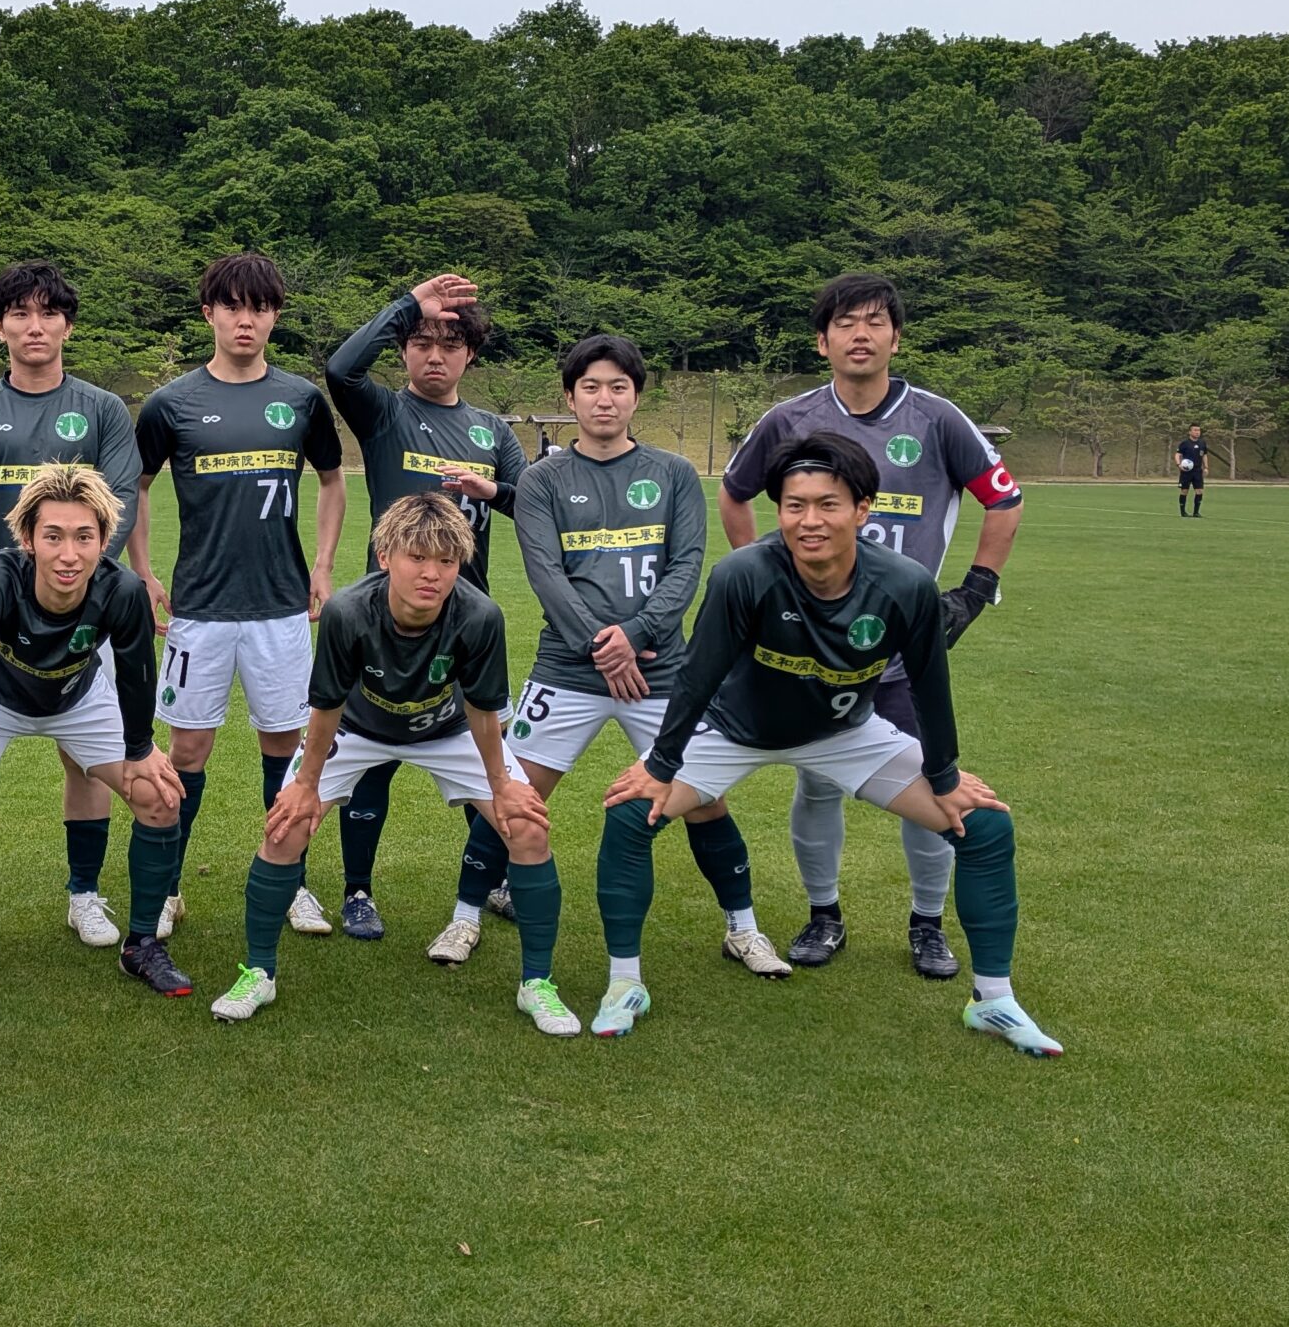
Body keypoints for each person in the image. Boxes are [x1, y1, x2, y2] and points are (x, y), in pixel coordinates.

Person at [600, 431, 1061, 1056]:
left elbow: (929, 686)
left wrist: (946, 777)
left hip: (844, 732)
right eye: (794, 505)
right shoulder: (743, 574)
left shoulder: (905, 584)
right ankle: (624, 984)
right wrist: (660, 765)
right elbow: (697, 678)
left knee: (982, 825)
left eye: (828, 504)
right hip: (734, 730)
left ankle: (994, 1001)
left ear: (862, 509)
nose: (809, 521)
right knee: (631, 812)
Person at [426, 337, 790, 976]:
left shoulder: (674, 473)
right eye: (590, 387)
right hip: (569, 669)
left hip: (662, 670)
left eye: (618, 387)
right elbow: (547, 575)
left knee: (703, 798)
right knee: (513, 793)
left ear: (636, 397)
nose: (604, 399)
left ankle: (744, 929)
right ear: (570, 398)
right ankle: (465, 917)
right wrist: (606, 646)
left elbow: (686, 567)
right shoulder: (541, 480)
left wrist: (637, 633)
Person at [717, 272, 1022, 977]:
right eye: (846, 323)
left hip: (902, 651)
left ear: (896, 338)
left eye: (875, 322)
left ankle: (927, 924)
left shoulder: (938, 420)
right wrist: (762, 581)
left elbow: (1004, 501)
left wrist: (975, 590)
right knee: (819, 783)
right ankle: (823, 914)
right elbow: (734, 495)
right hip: (814, 652)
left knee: (933, 786)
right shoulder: (789, 419)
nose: (861, 335)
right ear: (821, 341)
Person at [210, 494, 566, 1033]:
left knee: (528, 828)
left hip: (447, 730)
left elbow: (483, 710)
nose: (432, 574)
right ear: (385, 557)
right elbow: (327, 706)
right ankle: (258, 972)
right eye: (417, 558)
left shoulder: (480, 616)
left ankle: (536, 983)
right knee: (285, 828)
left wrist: (502, 785)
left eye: (446, 561)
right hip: (358, 729)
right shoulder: (348, 611)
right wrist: (306, 784)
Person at [0, 465, 185, 1022]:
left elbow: (137, 677)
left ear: (103, 541)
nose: (68, 554)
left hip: (78, 700)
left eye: (84, 537)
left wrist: (141, 750)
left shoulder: (123, 590)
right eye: (53, 536)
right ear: (28, 538)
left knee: (160, 797)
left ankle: (139, 945)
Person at [128, 252, 347, 943]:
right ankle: (167, 887)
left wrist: (323, 564)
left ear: (275, 315)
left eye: (260, 307)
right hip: (199, 609)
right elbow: (136, 487)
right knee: (187, 751)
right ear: (209, 314)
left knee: (287, 749)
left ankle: (292, 881)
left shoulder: (302, 399)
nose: (245, 319)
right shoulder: (170, 403)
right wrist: (143, 571)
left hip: (282, 607)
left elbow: (333, 480)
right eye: (231, 306)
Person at [0, 260, 145, 953]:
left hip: (82, 609)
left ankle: (84, 894)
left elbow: (121, 499)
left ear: (67, 326)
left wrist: (82, 575)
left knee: (85, 758)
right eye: (19, 314)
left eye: (48, 313)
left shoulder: (103, 409)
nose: (35, 326)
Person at [317, 273, 526, 936]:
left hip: (465, 627)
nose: (435, 355)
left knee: (483, 759)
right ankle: (357, 892)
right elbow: (340, 369)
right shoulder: (385, 414)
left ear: (471, 355)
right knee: (371, 762)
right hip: (382, 624)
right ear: (404, 350)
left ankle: (493, 882)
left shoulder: (492, 432)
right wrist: (407, 305)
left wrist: (492, 491)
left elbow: (535, 507)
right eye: (421, 342)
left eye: (450, 344)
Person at [1174, 425, 1215, 517]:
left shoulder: (1202, 443)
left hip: (1197, 471)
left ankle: (1196, 512)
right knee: (1184, 491)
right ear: (1190, 432)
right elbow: (1177, 454)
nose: (1197, 432)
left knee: (1199, 491)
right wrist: (1178, 464)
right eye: (1195, 430)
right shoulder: (1185, 443)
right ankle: (1183, 512)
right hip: (1186, 471)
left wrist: (1206, 467)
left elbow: (1204, 455)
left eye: (1199, 430)